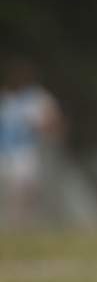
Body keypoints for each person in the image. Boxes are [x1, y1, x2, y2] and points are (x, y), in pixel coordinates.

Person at [0, 58, 65, 226]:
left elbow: (54, 123)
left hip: (26, 152)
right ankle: (10, 224)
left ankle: (23, 224)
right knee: (9, 194)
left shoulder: (38, 98)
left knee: (24, 193)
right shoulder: (6, 98)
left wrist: (39, 127)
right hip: (5, 151)